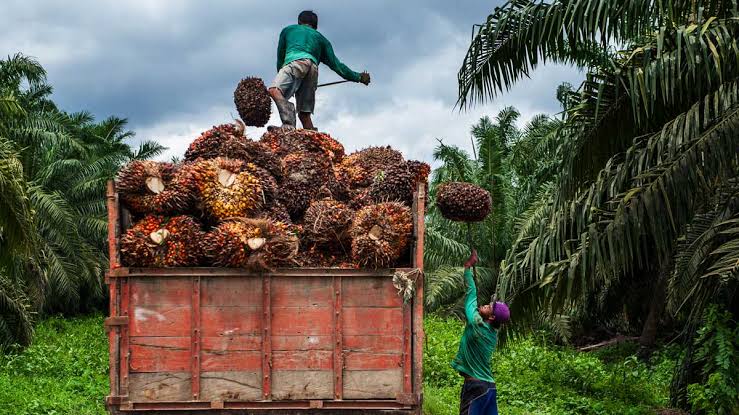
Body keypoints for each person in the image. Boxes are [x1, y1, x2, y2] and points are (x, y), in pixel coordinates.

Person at [269, 10, 371, 131]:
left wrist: (283, 85)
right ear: (315, 26)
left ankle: (288, 122)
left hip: (295, 63)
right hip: (313, 69)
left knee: (274, 90)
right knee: (304, 114)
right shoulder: (321, 39)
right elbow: (337, 66)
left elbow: (281, 57)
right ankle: (313, 141)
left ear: (299, 22)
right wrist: (358, 77)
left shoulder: (288, 30)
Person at [452, 249, 510, 415]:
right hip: (489, 388)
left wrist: (468, 267)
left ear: (491, 317)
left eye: (489, 307)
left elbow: (471, 294)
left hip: (476, 388)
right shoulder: (491, 333)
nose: (485, 305)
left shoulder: (477, 324)